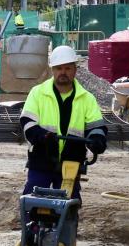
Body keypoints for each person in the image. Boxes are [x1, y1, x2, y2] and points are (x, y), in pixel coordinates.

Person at [19, 44, 108, 200]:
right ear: (52, 70)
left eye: (67, 68)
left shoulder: (87, 99)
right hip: (42, 159)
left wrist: (97, 140)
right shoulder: (38, 93)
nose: (63, 72)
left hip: (71, 163)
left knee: (68, 204)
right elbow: (28, 123)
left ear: (75, 69)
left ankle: (66, 224)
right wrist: (43, 136)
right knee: (33, 201)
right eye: (59, 68)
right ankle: (32, 225)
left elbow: (96, 127)